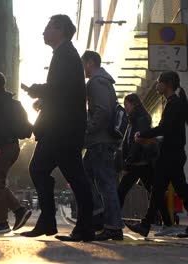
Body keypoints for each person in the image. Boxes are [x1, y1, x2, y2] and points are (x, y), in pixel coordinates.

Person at [20, 14, 94, 242]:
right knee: (39, 169)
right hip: (57, 128)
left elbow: (59, 89)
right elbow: (63, 92)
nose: (44, 32)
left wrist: (36, 89)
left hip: (63, 130)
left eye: (48, 27)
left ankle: (83, 227)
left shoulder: (67, 55)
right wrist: (42, 99)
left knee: (76, 177)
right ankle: (48, 222)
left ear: (60, 29)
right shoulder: (63, 55)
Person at [128, 71, 188, 238]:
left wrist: (143, 134)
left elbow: (165, 128)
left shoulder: (174, 104)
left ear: (167, 84)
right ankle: (147, 224)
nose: (156, 85)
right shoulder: (172, 103)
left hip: (171, 155)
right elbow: (167, 131)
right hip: (170, 154)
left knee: (175, 190)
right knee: (160, 189)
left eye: (158, 82)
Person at [0, 71, 32, 234]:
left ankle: (2, 221)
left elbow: (0, 127)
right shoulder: (8, 101)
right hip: (12, 146)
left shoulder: (0, 102)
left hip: (4, 147)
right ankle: (18, 211)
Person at [81, 50, 124, 241]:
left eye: (84, 65)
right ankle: (99, 214)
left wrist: (87, 130)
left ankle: (113, 226)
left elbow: (102, 111)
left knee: (106, 184)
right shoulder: (103, 81)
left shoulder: (97, 82)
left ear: (90, 63)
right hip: (98, 142)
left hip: (100, 141)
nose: (83, 69)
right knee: (83, 176)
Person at [118, 94, 155, 211]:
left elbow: (136, 143)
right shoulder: (133, 120)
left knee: (121, 191)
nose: (125, 108)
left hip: (138, 162)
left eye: (126, 105)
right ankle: (166, 219)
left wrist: (127, 164)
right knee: (153, 191)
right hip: (138, 162)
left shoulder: (140, 119)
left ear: (134, 104)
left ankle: (113, 221)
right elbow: (128, 143)